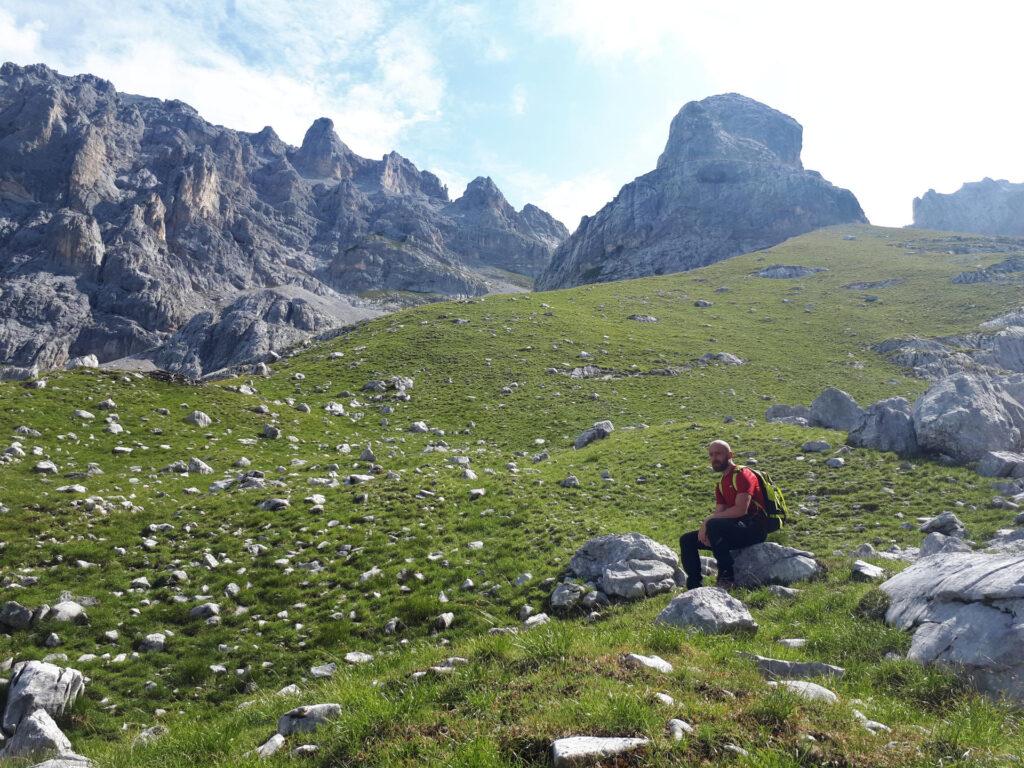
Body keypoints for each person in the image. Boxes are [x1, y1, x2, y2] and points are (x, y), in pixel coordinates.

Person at [679, 439, 780, 590]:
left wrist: (708, 521)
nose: (714, 458)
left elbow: (741, 510)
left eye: (718, 453)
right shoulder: (721, 483)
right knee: (687, 540)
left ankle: (726, 577)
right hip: (735, 528)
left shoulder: (743, 475)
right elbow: (720, 513)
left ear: (730, 454)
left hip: (754, 529)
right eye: (711, 455)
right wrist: (707, 530)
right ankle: (694, 587)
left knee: (713, 524)